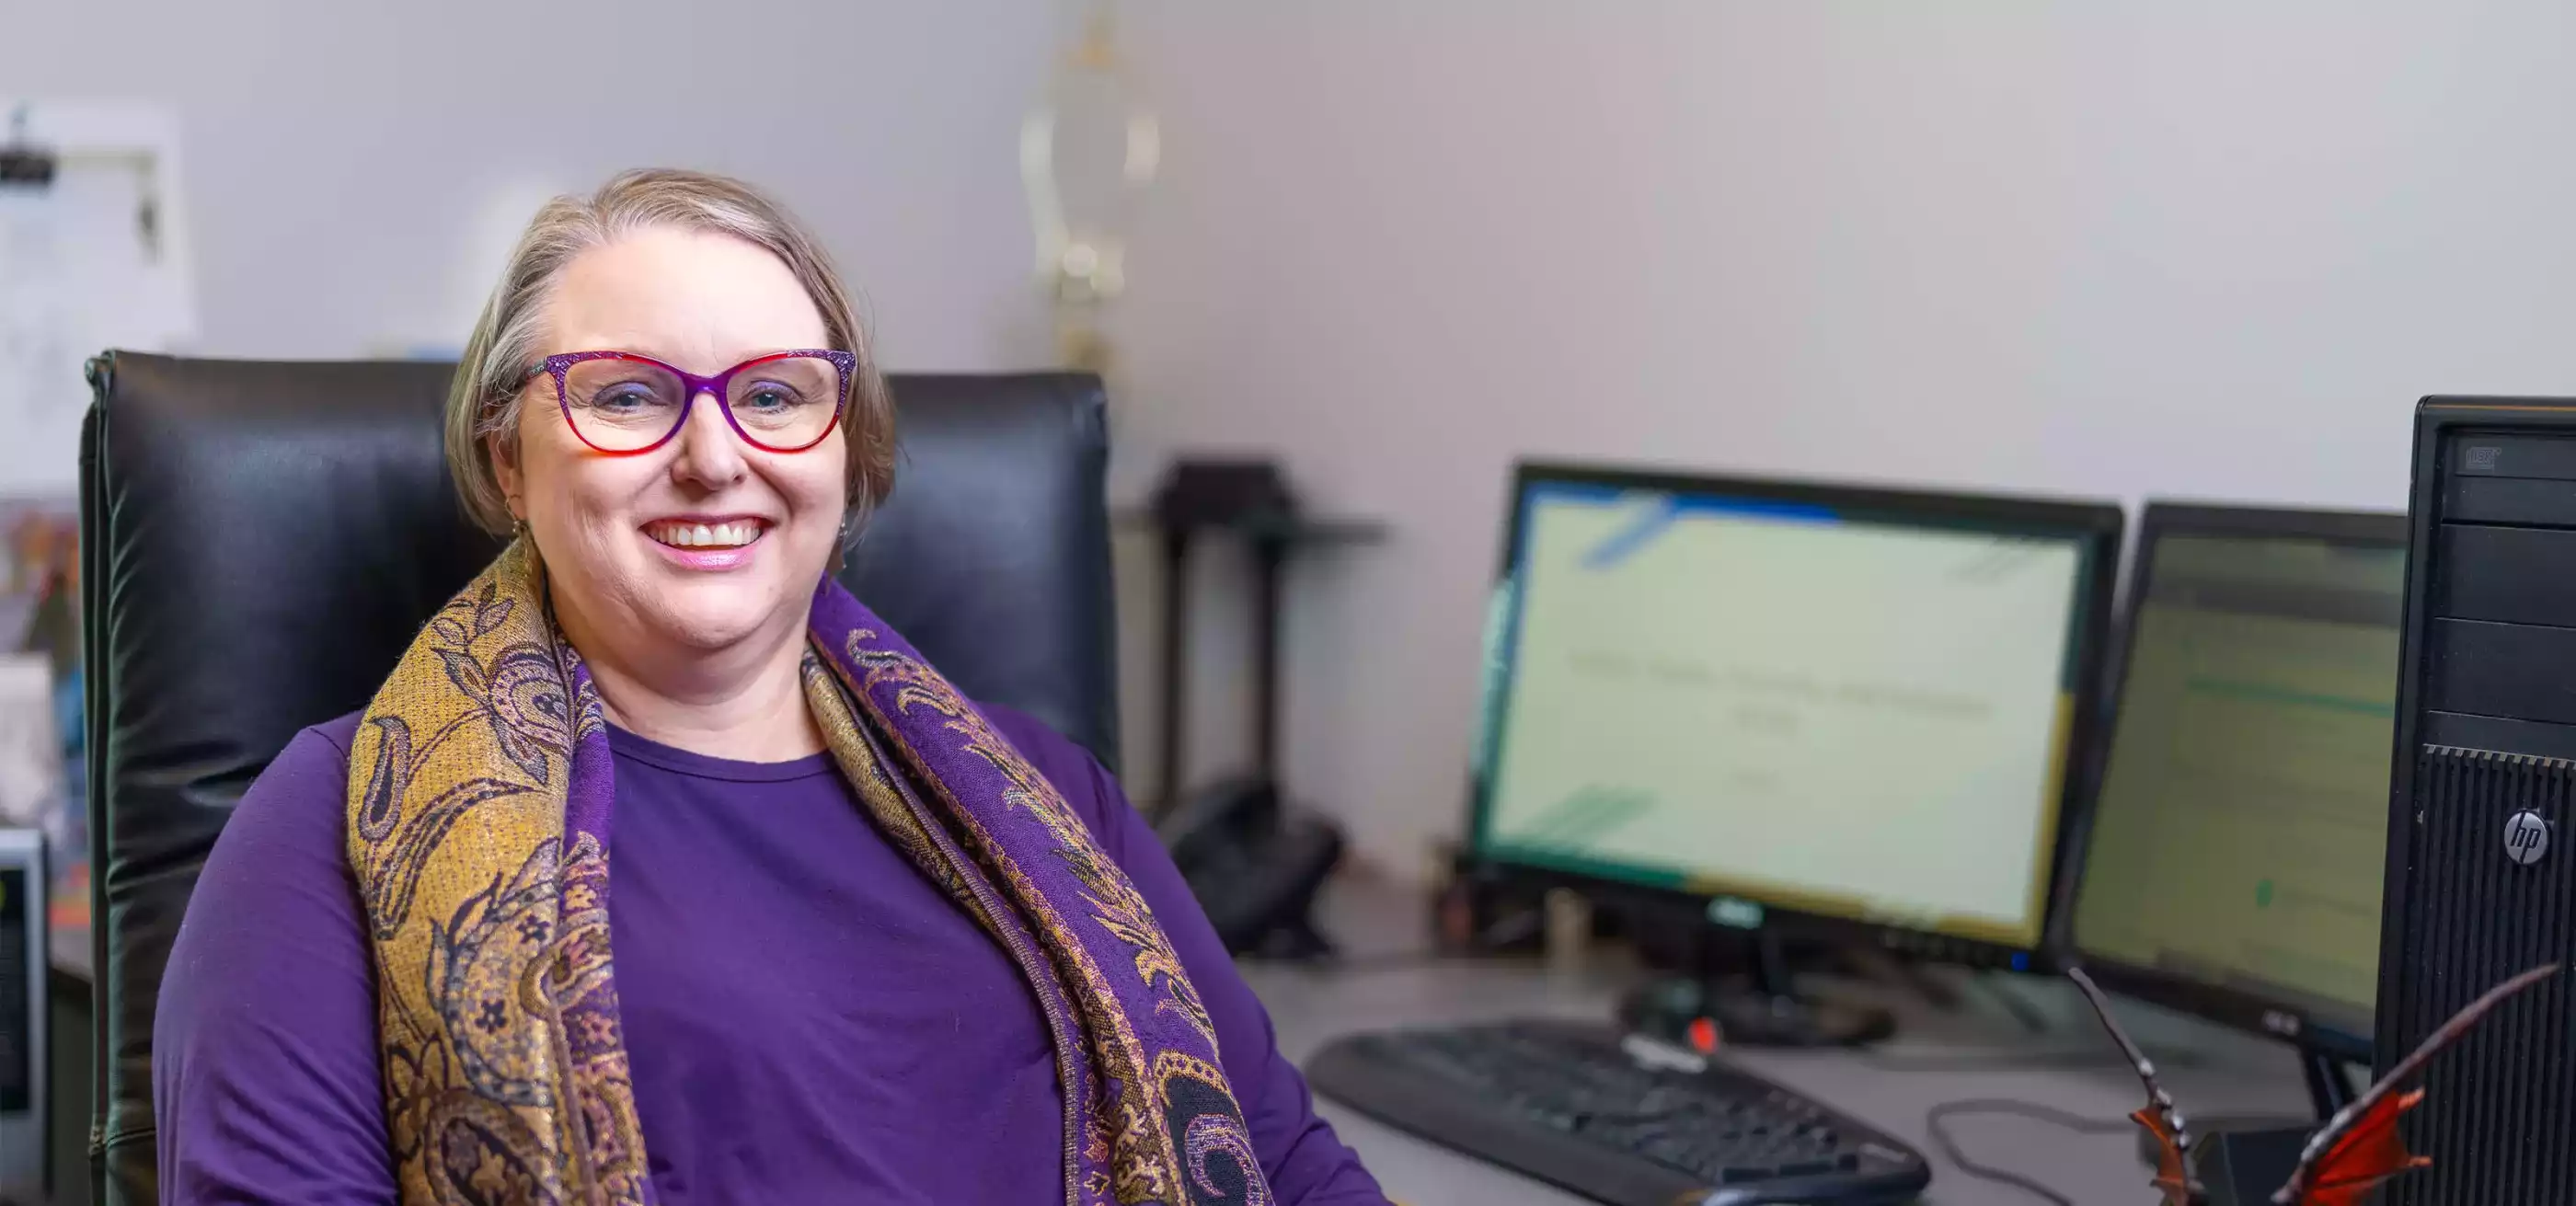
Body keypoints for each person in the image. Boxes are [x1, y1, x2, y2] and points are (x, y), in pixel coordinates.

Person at [153, 169, 1386, 1205]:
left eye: (775, 394)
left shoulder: (1054, 800)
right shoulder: (333, 819)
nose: (712, 454)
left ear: (846, 453)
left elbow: (1287, 1164)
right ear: (508, 461)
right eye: (628, 394)